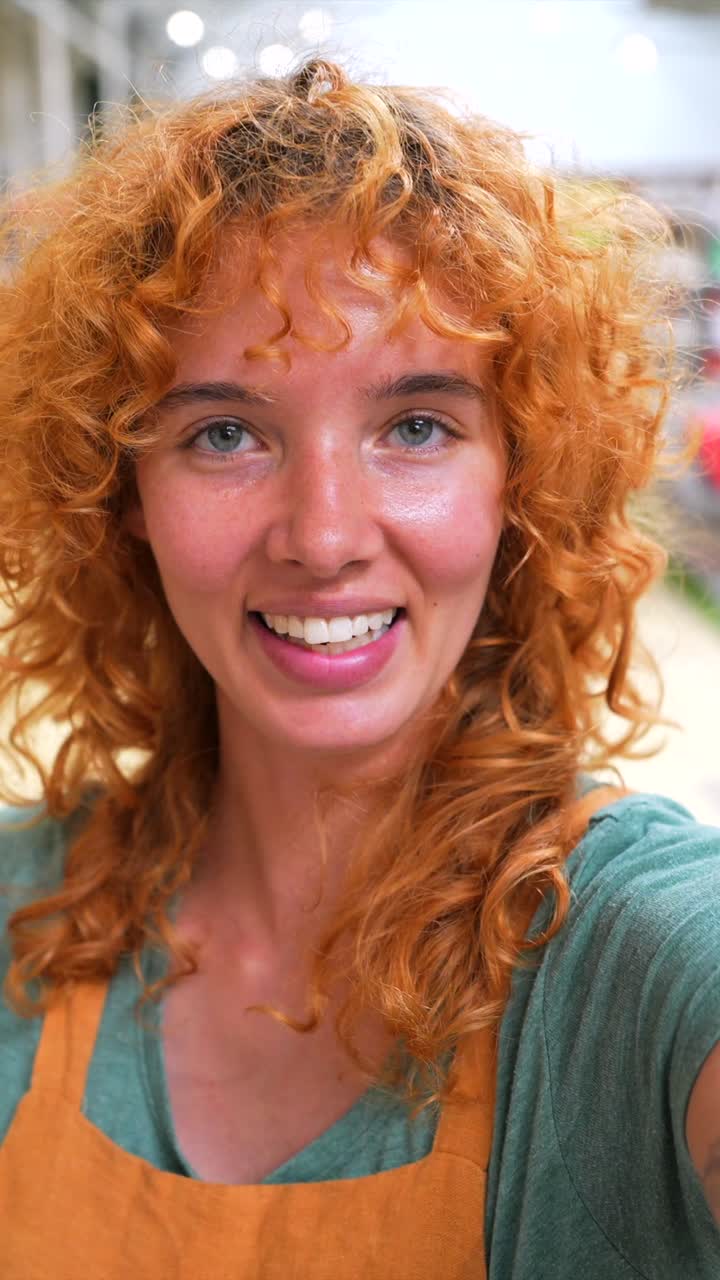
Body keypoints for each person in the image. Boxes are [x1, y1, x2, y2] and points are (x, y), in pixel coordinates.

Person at [0, 55, 718, 1278]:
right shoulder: (22, 918)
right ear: (120, 493)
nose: (324, 535)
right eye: (225, 432)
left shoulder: (630, 955)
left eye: (417, 425)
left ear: (520, 480)